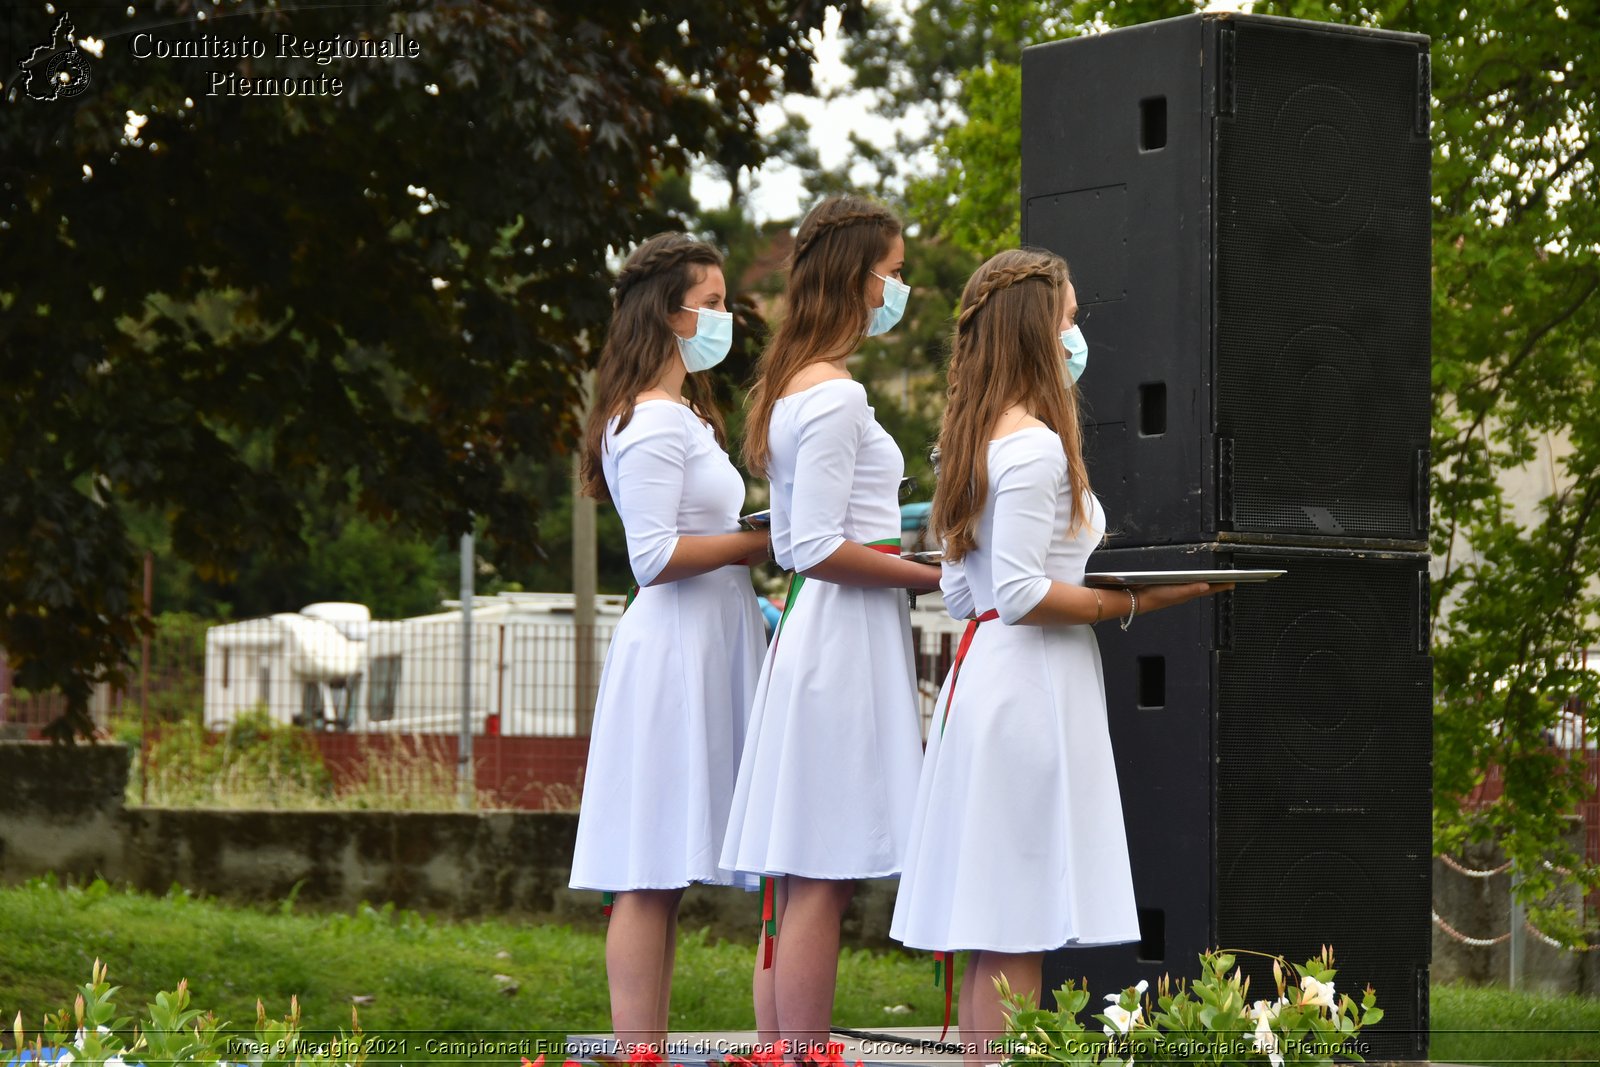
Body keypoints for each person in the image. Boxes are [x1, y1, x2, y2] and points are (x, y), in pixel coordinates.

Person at [889, 248, 1232, 1066]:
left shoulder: (972, 438)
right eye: (1071, 319)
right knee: (1019, 926)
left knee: (995, 927)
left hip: (990, 684)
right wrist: (1138, 600)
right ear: (1037, 332)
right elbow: (1019, 593)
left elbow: (966, 593)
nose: (1079, 334)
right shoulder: (1036, 447)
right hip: (1029, 694)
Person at [720, 195, 943, 1053]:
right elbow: (809, 543)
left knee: (801, 874)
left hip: (829, 632)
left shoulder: (794, 385)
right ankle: (805, 1050)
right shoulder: (836, 394)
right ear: (857, 277)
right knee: (821, 872)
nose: (900, 288)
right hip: (840, 637)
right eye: (891, 271)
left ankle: (787, 1048)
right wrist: (924, 573)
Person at [569, 232, 771, 1055]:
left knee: (666, 874)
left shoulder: (683, 412)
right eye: (714, 303)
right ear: (669, 311)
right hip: (675, 655)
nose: (726, 318)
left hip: (708, 641)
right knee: (648, 871)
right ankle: (637, 1049)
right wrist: (763, 541)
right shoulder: (653, 421)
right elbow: (652, 555)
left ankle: (646, 1044)